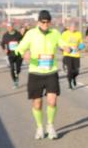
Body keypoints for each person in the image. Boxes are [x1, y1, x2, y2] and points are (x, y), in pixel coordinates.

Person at [15, 10, 71, 140]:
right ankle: (39, 127)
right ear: (38, 22)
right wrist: (24, 53)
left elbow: (62, 44)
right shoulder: (31, 34)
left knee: (52, 100)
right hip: (36, 73)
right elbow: (18, 49)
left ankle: (50, 126)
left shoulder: (55, 33)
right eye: (43, 22)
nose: (45, 24)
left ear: (50, 22)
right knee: (37, 103)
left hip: (51, 72)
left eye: (48, 22)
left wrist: (66, 47)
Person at [60, 20, 85, 89]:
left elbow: (82, 44)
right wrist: (64, 48)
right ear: (69, 27)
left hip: (76, 54)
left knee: (76, 71)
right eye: (72, 27)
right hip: (68, 54)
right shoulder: (65, 34)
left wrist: (79, 48)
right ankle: (70, 83)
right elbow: (60, 43)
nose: (73, 28)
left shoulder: (78, 34)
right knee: (70, 70)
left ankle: (74, 78)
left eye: (74, 27)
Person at [1, 22, 23, 88]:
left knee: (18, 69)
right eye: (8, 27)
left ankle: (17, 75)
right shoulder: (5, 35)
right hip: (10, 54)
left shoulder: (18, 34)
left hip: (18, 54)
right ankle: (15, 81)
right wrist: (4, 49)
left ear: (13, 27)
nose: (9, 28)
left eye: (10, 27)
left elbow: (23, 41)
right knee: (12, 69)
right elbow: (2, 43)